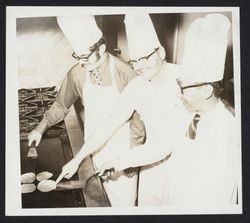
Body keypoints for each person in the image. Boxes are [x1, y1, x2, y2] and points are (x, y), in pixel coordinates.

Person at [56, 13, 184, 206]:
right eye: (134, 61)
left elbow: (166, 144)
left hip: (184, 167)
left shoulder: (185, 80)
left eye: (144, 58)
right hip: (151, 167)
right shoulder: (137, 86)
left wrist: (119, 161)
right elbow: (109, 123)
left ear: (162, 53)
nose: (139, 66)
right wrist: (78, 159)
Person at [28, 15, 146, 207]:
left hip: (121, 153)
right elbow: (61, 105)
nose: (82, 63)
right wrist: (40, 128)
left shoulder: (126, 74)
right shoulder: (78, 73)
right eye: (78, 57)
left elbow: (138, 121)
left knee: (122, 205)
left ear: (100, 48)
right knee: (96, 202)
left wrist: (130, 160)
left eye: (85, 56)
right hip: (90, 151)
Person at [161, 13, 240, 206]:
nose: (179, 94)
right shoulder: (188, 114)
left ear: (206, 91)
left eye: (184, 88)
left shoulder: (228, 131)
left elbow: (221, 195)